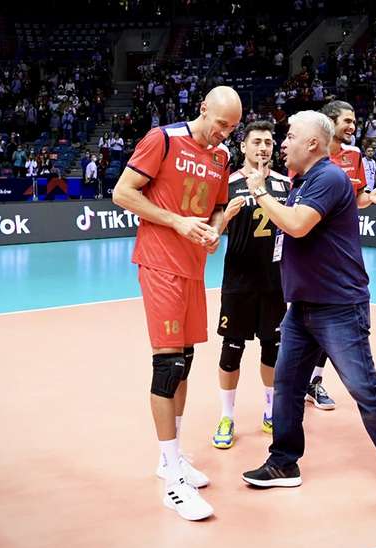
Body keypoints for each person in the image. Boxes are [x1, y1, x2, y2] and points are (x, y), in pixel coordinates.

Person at [240, 110, 376, 515]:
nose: (282, 143)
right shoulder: (302, 181)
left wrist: (259, 192)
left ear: (312, 144)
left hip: (339, 307)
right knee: (287, 386)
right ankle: (284, 461)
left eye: (290, 136)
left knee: (363, 388)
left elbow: (298, 225)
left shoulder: (328, 177)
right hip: (302, 307)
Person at [113, 86, 241, 521]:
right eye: (221, 123)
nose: (225, 134)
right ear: (203, 108)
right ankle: (171, 477)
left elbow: (220, 206)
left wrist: (215, 228)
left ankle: (175, 455)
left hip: (193, 268)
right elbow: (123, 193)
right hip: (159, 262)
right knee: (167, 365)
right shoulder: (162, 139)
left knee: (185, 361)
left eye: (232, 128)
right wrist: (177, 222)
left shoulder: (222, 159)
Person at [301, 100, 376, 410]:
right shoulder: (309, 151)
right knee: (305, 316)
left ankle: (314, 381)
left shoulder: (354, 156)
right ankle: (298, 380)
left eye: (355, 121)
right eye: (347, 121)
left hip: (341, 250)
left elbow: (358, 198)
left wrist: (372, 197)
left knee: (331, 315)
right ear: (329, 122)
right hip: (310, 248)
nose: (353, 126)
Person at [211, 120, 290, 449]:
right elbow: (212, 233)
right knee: (232, 351)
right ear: (242, 147)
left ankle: (271, 411)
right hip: (238, 282)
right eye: (256, 142)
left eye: (268, 143)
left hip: (275, 284)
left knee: (272, 349)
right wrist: (225, 218)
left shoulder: (285, 184)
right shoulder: (227, 183)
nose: (263, 148)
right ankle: (227, 415)